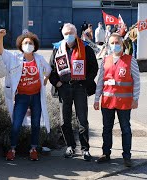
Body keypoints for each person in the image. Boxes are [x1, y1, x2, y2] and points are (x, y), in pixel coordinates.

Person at [0, 29, 51, 161]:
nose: (28, 45)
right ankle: (12, 149)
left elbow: (48, 69)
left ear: (35, 45)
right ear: (21, 45)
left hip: (36, 97)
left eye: (31, 43)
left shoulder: (39, 58)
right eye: (25, 42)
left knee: (36, 124)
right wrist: (0, 37)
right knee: (16, 124)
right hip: (21, 97)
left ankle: (33, 149)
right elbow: (1, 52)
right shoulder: (15, 57)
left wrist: (46, 79)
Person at [49, 23, 98, 161]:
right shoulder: (57, 48)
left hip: (80, 87)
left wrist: (85, 81)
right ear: (62, 35)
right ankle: (70, 146)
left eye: (71, 33)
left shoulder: (86, 48)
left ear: (76, 34)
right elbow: (51, 69)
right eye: (66, 34)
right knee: (65, 121)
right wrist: (57, 83)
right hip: (63, 87)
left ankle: (85, 149)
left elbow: (94, 68)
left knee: (82, 120)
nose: (68, 36)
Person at [93, 33, 140, 167]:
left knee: (125, 129)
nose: (115, 45)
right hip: (107, 102)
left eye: (117, 43)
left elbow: (137, 81)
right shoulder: (105, 60)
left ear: (122, 44)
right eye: (112, 43)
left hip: (124, 102)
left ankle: (126, 156)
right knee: (106, 129)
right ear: (109, 45)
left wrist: (135, 98)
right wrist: (97, 99)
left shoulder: (131, 60)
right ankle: (105, 153)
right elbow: (101, 81)